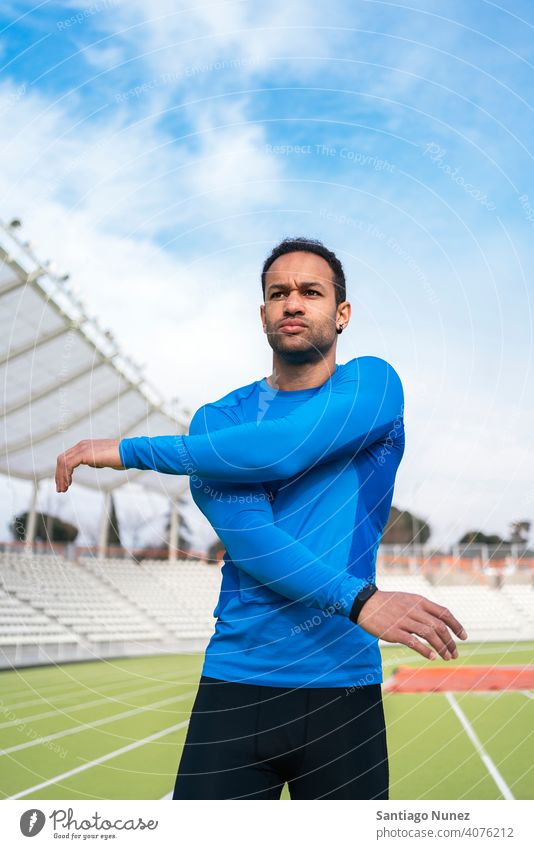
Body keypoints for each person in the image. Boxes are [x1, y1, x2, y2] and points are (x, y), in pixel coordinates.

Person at [56, 237, 467, 800]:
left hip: (342, 690)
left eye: (311, 292)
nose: (292, 303)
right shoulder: (218, 421)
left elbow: (286, 447)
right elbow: (255, 544)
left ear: (341, 313)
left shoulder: (374, 387)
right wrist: (362, 600)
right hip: (235, 686)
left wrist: (128, 449)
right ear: (263, 315)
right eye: (279, 293)